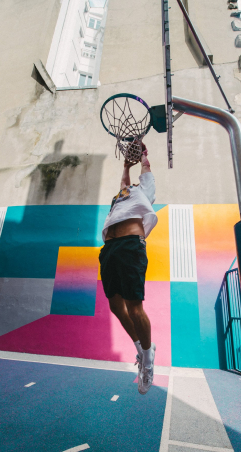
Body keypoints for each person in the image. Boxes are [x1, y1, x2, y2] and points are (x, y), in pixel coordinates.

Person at [99, 143, 157, 395]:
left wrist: (143, 156)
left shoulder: (145, 190)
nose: (130, 183)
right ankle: (141, 349)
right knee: (115, 305)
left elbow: (145, 169)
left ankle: (148, 362)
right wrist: (125, 164)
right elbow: (124, 181)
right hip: (109, 249)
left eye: (135, 181)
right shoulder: (122, 194)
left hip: (130, 246)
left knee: (134, 307)